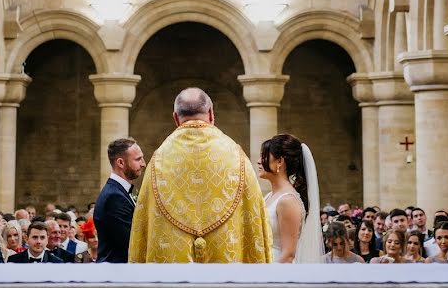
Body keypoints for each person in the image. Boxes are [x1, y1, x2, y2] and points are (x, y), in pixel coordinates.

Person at [128, 88, 272, 263]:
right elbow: (254, 219)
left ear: (175, 117)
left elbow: (142, 226)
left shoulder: (158, 160)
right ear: (211, 113)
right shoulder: (236, 155)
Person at [259, 134, 323, 263]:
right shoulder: (269, 196)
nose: (259, 161)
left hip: (277, 272)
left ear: (280, 162)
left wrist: (266, 278)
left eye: (264, 156)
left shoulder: (287, 201)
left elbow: (288, 254)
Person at [93, 137, 145, 263]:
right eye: (138, 159)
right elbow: (131, 241)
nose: (143, 164)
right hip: (116, 272)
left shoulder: (125, 190)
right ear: (120, 163)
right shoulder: (114, 197)